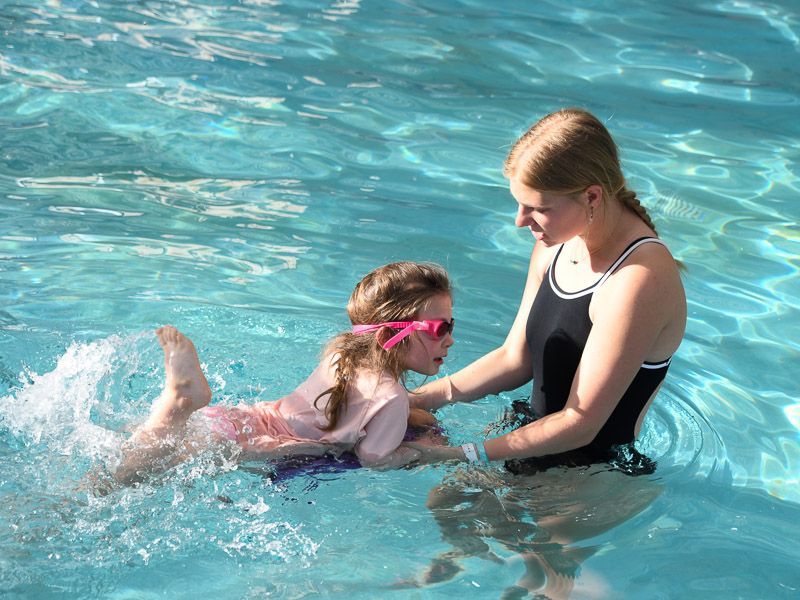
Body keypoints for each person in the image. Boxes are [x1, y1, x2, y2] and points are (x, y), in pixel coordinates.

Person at [406, 107, 687, 471]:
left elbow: (581, 422)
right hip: (531, 437)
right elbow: (515, 358)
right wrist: (415, 399)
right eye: (519, 203)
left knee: (467, 517)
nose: (520, 221)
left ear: (592, 197)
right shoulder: (556, 242)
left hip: (594, 470)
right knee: (444, 506)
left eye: (537, 207)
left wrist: (463, 454)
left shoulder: (639, 279)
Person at [112, 261, 454, 485]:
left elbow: (357, 409)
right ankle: (180, 402)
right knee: (143, 476)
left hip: (239, 420)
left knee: (140, 452)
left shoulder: (341, 353)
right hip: (264, 447)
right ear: (388, 336)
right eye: (440, 328)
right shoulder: (391, 398)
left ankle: (179, 404)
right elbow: (375, 459)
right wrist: (421, 452)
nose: (450, 340)